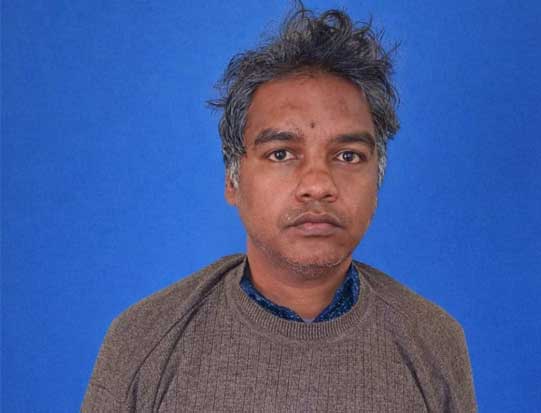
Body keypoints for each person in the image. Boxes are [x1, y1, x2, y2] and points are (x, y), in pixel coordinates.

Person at [82, 5, 477, 412]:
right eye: (282, 153)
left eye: (348, 156)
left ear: (378, 177)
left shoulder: (434, 344)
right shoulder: (144, 340)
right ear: (232, 178)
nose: (318, 185)